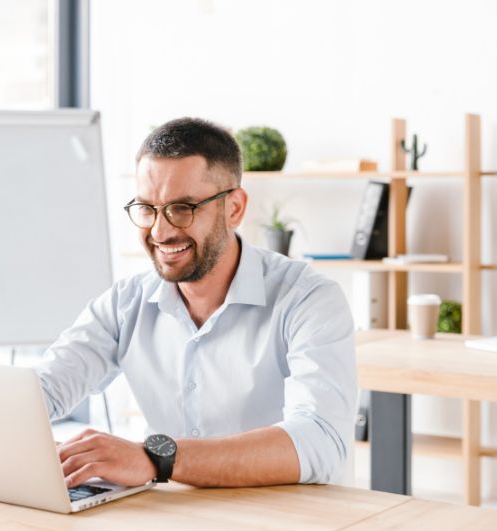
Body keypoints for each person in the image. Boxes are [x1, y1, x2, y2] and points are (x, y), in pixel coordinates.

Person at [37, 117, 357, 489]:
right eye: (147, 208)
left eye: (183, 208)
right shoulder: (126, 303)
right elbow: (44, 389)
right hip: (173, 515)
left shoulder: (308, 300)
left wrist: (156, 459)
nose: (160, 231)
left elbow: (321, 441)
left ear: (234, 208)